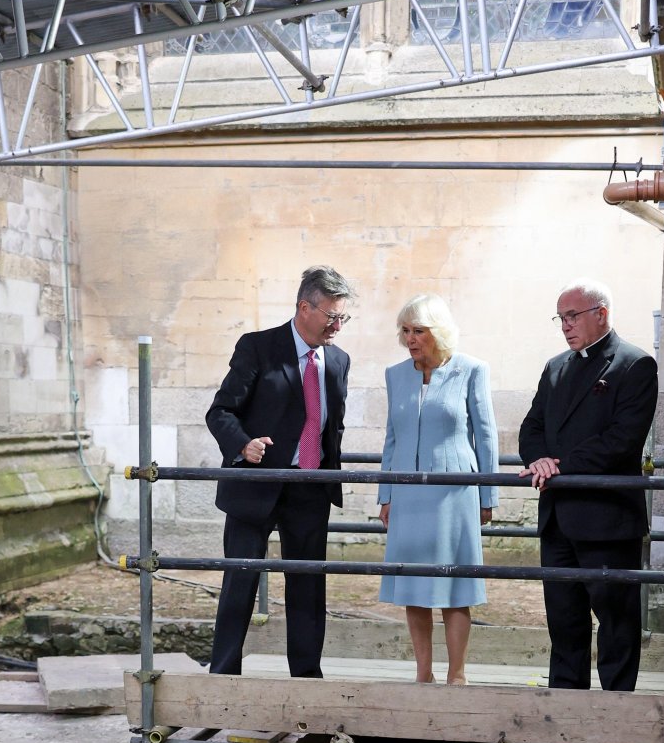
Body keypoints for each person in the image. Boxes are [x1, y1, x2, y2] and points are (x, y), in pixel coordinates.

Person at [206, 265, 353, 677]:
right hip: (256, 485)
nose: (337, 326)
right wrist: (242, 443)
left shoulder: (339, 361)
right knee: (241, 582)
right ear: (304, 307)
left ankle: (306, 679)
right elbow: (220, 411)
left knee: (308, 586)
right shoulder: (258, 347)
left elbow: (331, 424)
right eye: (331, 316)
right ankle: (222, 676)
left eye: (343, 317)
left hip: (310, 485)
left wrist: (328, 474)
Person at [518, 279, 658, 692]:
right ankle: (564, 710)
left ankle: (616, 713)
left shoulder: (634, 365)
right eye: (561, 317)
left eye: (573, 315)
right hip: (559, 517)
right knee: (563, 621)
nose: (565, 325)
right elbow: (532, 426)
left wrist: (557, 466)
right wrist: (537, 459)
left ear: (602, 313)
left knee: (615, 622)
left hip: (607, 517)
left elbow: (622, 440)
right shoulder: (556, 366)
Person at [377, 295, 498, 685]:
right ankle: (423, 673)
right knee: (413, 583)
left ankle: (457, 674)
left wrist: (487, 495)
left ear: (438, 332)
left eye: (419, 331)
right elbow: (391, 438)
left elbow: (486, 437)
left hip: (454, 492)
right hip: (407, 493)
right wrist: (386, 494)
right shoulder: (395, 375)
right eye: (406, 331)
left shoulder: (471, 370)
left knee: (455, 584)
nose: (410, 339)